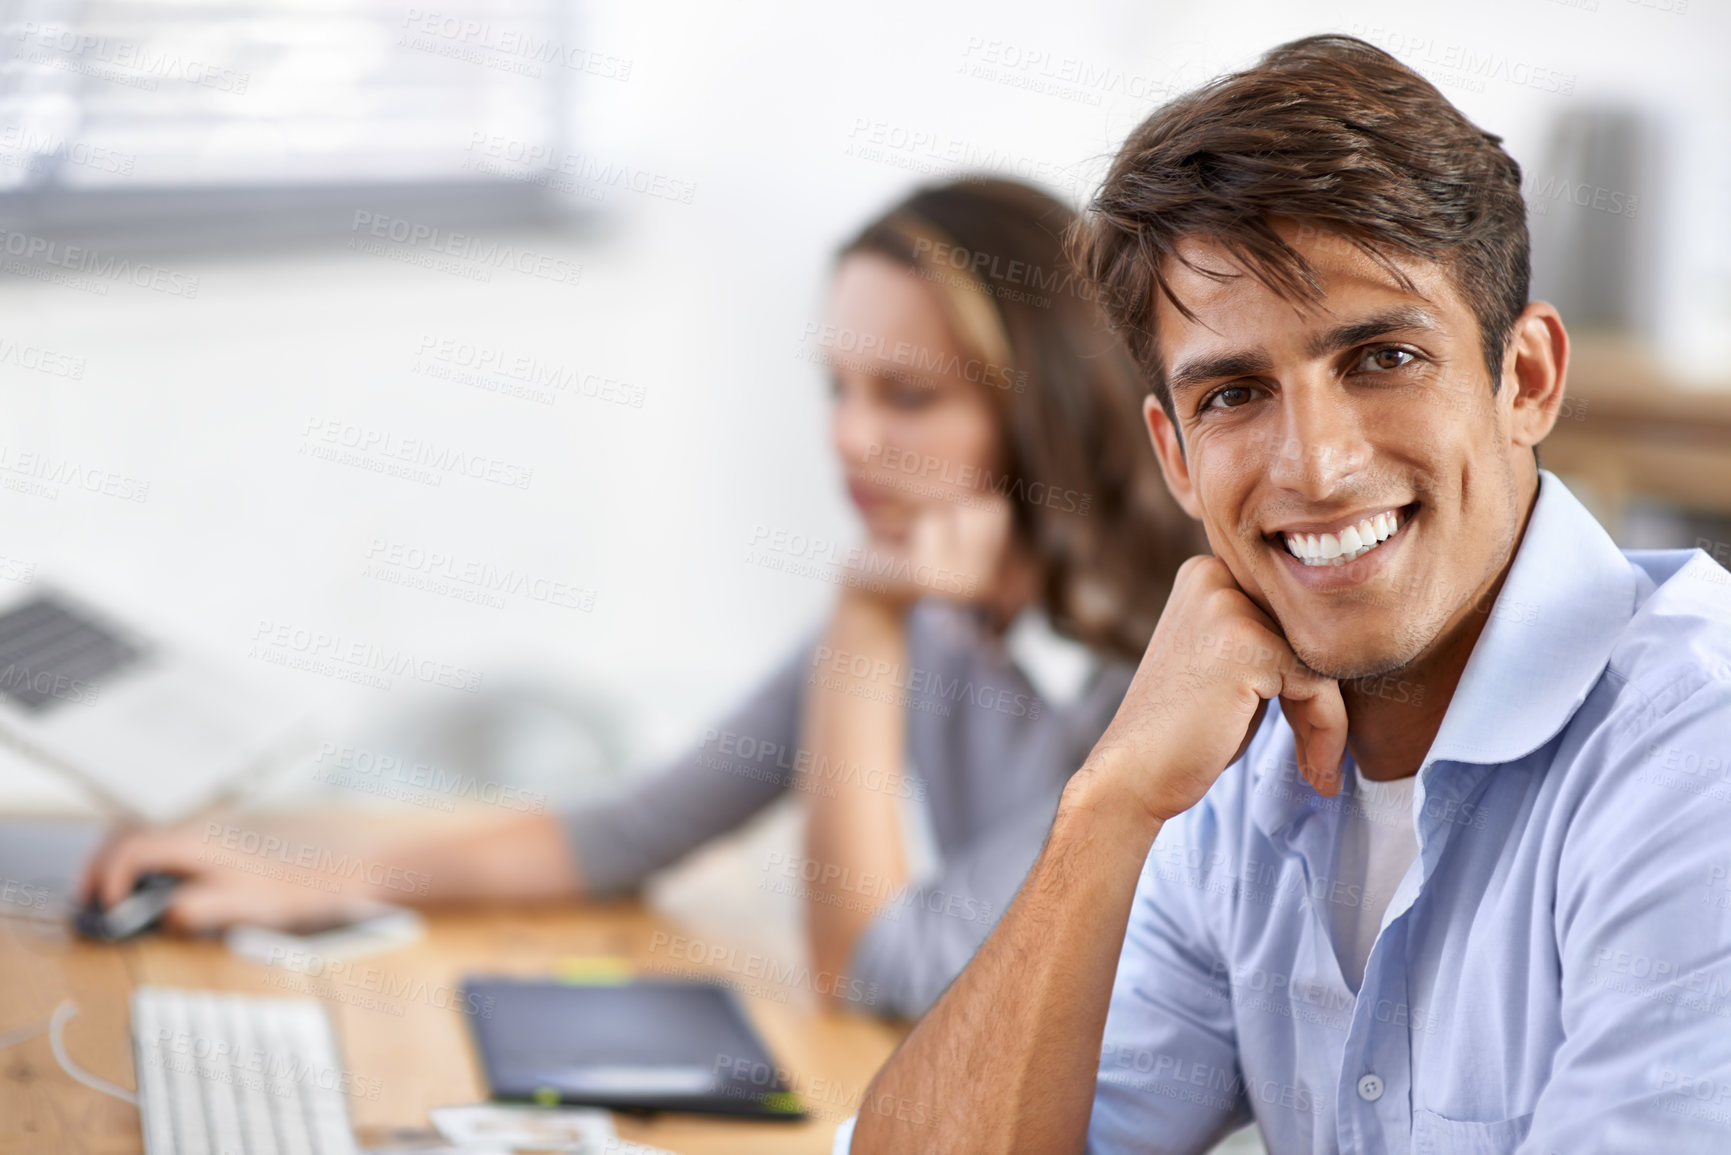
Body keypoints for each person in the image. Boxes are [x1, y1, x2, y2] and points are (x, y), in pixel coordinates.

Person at [848, 35, 1731, 1152]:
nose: (1314, 464)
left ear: (1528, 377)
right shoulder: (1231, 775)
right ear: (1174, 456)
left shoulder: (1694, 757)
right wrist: (1110, 803)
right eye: (1234, 394)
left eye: (1382, 359)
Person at [81, 177, 1199, 1019]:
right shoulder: (940, 601)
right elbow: (629, 829)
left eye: (907, 397)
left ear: (1044, 409)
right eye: (838, 389)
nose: (850, 440)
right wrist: (314, 880)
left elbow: (873, 968)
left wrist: (866, 620)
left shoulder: (1159, 665)